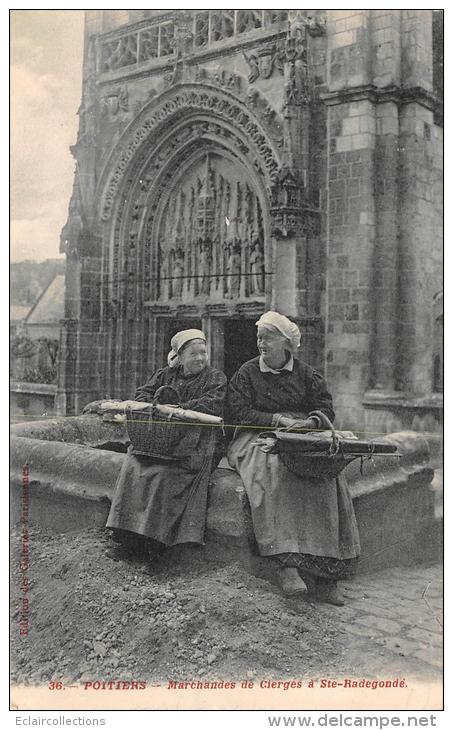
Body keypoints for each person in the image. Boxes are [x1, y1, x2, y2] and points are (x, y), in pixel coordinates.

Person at [227, 311, 360, 605]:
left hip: (303, 437)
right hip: (257, 437)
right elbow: (238, 412)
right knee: (274, 470)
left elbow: (325, 406)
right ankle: (286, 566)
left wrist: (312, 423)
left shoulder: (307, 375)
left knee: (327, 476)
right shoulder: (246, 374)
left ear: (286, 343)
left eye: (268, 338)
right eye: (259, 337)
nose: (261, 343)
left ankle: (326, 576)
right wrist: (276, 420)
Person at [106, 329, 227, 562]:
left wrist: (176, 407)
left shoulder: (215, 378)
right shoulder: (165, 375)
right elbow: (142, 395)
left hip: (196, 444)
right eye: (193, 354)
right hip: (162, 441)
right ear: (179, 357)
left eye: (203, 353)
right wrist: (156, 406)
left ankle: (155, 546)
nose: (200, 358)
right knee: (133, 466)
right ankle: (126, 538)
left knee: (163, 475)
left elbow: (212, 403)